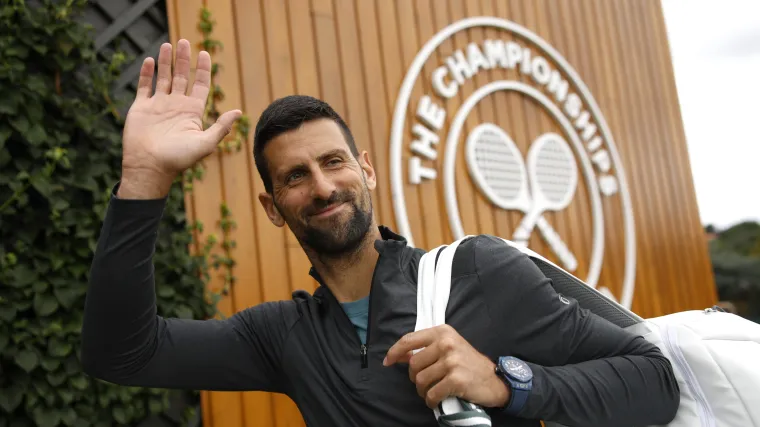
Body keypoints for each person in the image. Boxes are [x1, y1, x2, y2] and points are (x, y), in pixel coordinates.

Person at [81, 40, 680, 427]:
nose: (321, 186)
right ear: (272, 206)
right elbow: (122, 353)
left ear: (365, 168)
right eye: (296, 176)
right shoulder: (282, 336)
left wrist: (507, 383)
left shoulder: (481, 274)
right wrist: (144, 178)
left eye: (334, 162)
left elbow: (655, 381)